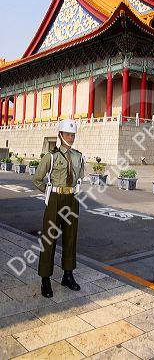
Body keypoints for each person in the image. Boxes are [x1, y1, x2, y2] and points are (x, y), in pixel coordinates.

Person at [32, 118, 85, 298]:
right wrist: (47, 190)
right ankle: (45, 279)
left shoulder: (79, 156)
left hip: (71, 198)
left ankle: (68, 275)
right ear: (60, 135)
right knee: (49, 239)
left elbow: (80, 177)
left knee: (71, 238)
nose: (70, 137)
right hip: (55, 199)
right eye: (67, 134)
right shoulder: (51, 156)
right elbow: (37, 179)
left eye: (73, 134)